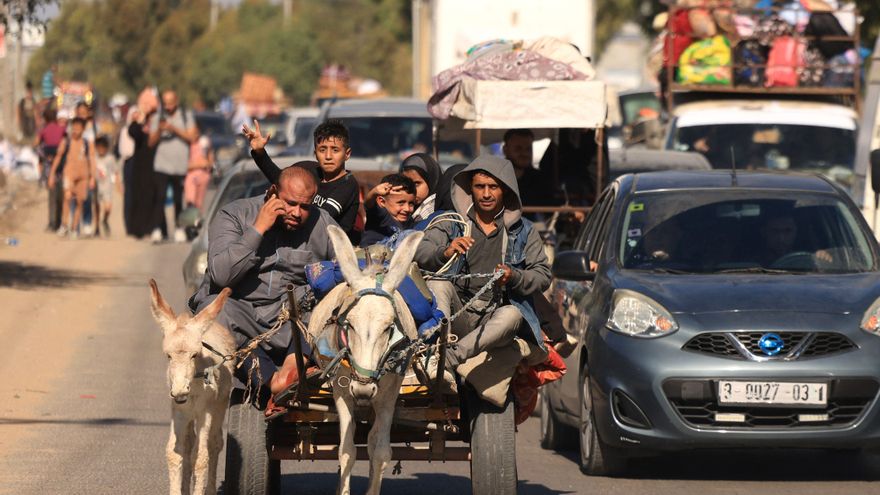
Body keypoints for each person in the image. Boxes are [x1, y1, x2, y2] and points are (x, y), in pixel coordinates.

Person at [188, 164, 337, 397]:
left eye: (305, 206)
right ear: (272, 193)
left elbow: (347, 268)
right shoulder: (235, 215)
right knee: (212, 312)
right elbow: (221, 275)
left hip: (294, 320)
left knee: (330, 306)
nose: (297, 213)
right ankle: (272, 380)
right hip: (242, 315)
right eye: (290, 203)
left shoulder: (323, 224)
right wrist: (258, 228)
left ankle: (292, 366)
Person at [415, 155, 552, 380]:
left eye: (493, 187)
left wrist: (514, 276)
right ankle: (434, 348)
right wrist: (445, 252)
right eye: (480, 187)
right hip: (456, 314)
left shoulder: (524, 231)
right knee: (438, 284)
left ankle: (448, 358)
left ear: (505, 190)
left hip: (494, 318)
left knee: (513, 314)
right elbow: (420, 249)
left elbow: (543, 275)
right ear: (471, 189)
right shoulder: (452, 223)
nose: (486, 194)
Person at [246, 119, 361, 241]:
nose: (328, 156)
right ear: (315, 153)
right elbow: (281, 180)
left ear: (347, 154)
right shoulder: (306, 169)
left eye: (335, 150)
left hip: (331, 250)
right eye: (322, 150)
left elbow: (322, 217)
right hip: (299, 243)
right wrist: (260, 152)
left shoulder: (348, 184)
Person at [148, 90, 197, 243]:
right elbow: (150, 142)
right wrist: (160, 129)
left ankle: (178, 229)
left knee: (177, 199)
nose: (168, 106)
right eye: (165, 102)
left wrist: (174, 129)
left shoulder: (185, 116)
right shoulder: (157, 117)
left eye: (170, 102)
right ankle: (157, 229)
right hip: (161, 164)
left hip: (179, 165)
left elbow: (192, 137)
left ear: (176, 101)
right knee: (160, 197)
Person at [48, 118, 97, 239]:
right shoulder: (66, 142)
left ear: (83, 129)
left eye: (78, 128)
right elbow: (58, 157)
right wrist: (52, 174)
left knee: (80, 201)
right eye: (74, 127)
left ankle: (74, 228)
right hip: (69, 174)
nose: (75, 130)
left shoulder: (87, 143)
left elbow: (92, 160)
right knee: (68, 197)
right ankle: (64, 224)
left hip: (83, 175)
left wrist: (92, 178)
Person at [126, 107, 159, 239]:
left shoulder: (158, 130)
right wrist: (136, 121)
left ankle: (152, 228)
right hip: (140, 169)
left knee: (153, 199)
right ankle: (137, 229)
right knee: (139, 198)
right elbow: (133, 132)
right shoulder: (140, 129)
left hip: (156, 168)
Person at [502, 129, 555, 207]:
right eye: (518, 148)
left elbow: (551, 205)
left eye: (528, 149)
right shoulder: (495, 178)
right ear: (505, 150)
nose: (524, 153)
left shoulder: (539, 179)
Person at [360, 173, 416, 247]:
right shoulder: (381, 216)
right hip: (369, 257)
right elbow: (368, 204)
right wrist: (374, 192)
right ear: (382, 202)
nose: (407, 209)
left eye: (411, 203)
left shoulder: (410, 222)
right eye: (401, 203)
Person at [35, 108, 66, 231]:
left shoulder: (44, 130)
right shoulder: (62, 129)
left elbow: (36, 143)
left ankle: (52, 223)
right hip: (62, 166)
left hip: (49, 166)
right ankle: (60, 222)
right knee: (61, 196)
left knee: (52, 196)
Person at [399, 153, 441, 222]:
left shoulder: (433, 211)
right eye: (406, 183)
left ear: (431, 181)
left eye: (416, 183)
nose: (411, 189)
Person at [183, 125, 214, 211]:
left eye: (196, 132)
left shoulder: (204, 142)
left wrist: (209, 164)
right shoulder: (186, 145)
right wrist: (198, 165)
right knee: (190, 200)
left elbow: (210, 155)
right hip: (191, 174)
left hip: (203, 174)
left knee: (199, 203)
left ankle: (196, 220)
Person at [94, 135, 118, 236]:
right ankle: (96, 227)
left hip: (107, 186)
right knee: (97, 207)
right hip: (96, 186)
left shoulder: (110, 158)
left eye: (103, 147)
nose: (101, 150)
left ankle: (105, 220)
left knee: (108, 207)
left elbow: (115, 172)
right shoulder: (94, 158)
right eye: (99, 147)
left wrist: (118, 184)